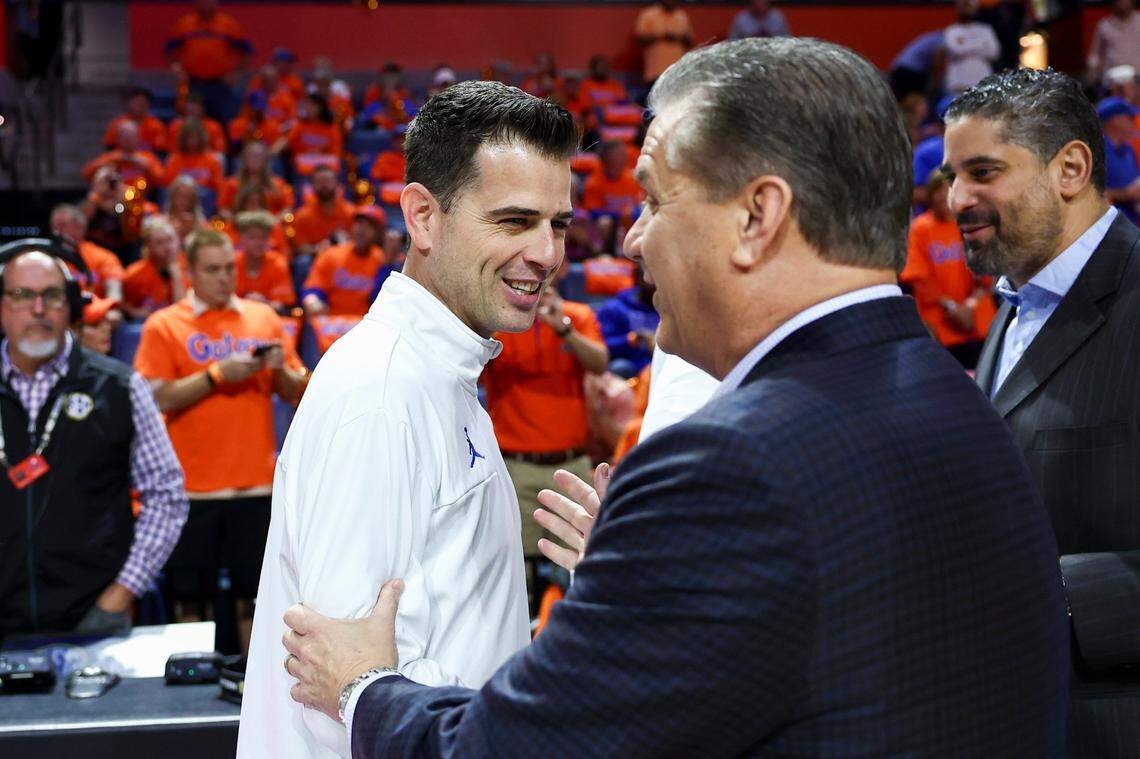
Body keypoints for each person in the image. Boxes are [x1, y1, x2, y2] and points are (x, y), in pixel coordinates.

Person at [281, 38, 1069, 757]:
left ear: (757, 218)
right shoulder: (953, 394)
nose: (630, 238)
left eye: (655, 199)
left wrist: (362, 689)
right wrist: (647, 586)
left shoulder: (729, 466)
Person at [237, 80, 578, 759]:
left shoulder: (440, 373)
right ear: (422, 217)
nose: (547, 253)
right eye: (514, 221)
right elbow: (338, 696)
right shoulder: (382, 390)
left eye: (557, 223)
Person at [943, 66, 1140, 758]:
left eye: (983, 171)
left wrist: (1046, 594)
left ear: (1072, 168)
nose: (957, 198)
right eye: (950, 177)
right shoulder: (1016, 304)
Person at [134, 228, 307, 654]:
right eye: (212, 270)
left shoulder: (262, 318)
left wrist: (279, 371)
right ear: (189, 270)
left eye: (229, 268)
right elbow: (153, 395)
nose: (224, 278)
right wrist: (215, 376)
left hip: (256, 487)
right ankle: (189, 703)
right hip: (190, 490)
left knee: (259, 602)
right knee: (189, 601)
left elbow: (297, 390)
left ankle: (253, 701)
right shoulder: (164, 324)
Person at [0, 243, 187, 635]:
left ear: (70, 305)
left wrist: (122, 592)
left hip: (95, 621)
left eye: (51, 296)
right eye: (21, 295)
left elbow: (166, 495)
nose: (37, 310)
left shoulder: (119, 387)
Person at [481, 261, 608, 614]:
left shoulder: (576, 315)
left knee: (584, 569)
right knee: (514, 578)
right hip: (515, 467)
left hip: (572, 465)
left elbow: (600, 363)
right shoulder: (500, 322)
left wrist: (562, 328)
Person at [901, 170, 995, 368]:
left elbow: (986, 274)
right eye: (938, 190)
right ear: (929, 194)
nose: (943, 195)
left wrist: (969, 306)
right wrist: (953, 307)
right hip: (941, 325)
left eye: (948, 189)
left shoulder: (971, 223)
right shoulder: (919, 229)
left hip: (976, 321)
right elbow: (920, 279)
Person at [164, 0, 251, 122]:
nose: (206, 4)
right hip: (193, 83)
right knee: (191, 122)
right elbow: (169, 50)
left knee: (222, 121)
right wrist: (176, 68)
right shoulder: (184, 24)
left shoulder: (228, 24)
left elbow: (246, 51)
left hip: (220, 84)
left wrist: (236, 74)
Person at [301, 206, 389, 317]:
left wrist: (387, 266)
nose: (362, 230)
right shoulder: (331, 254)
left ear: (378, 233)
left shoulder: (382, 260)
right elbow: (313, 287)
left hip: (364, 324)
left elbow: (381, 301)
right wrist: (312, 300)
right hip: (330, 324)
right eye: (359, 224)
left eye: (369, 226)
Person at [49, 204, 124, 301]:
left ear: (80, 228)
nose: (57, 232)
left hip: (93, 312)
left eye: (63, 225)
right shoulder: (47, 258)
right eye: (54, 227)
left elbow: (114, 294)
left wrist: (111, 309)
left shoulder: (104, 257)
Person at [122, 216, 188, 323]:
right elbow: (122, 305)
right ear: (148, 246)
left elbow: (183, 311)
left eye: (170, 239)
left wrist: (176, 275)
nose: (168, 247)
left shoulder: (191, 267)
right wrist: (133, 311)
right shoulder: (134, 274)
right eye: (159, 242)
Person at [596, 266, 659, 376]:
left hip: (661, 364)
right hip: (632, 367)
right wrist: (632, 339)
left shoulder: (668, 307)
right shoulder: (614, 308)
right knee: (620, 367)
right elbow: (601, 347)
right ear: (638, 279)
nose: (654, 283)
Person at [288, 165, 358, 258]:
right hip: (315, 257)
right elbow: (301, 247)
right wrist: (317, 249)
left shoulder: (351, 212)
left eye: (327, 181)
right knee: (303, 261)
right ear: (312, 186)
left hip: (346, 256)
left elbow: (358, 242)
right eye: (319, 182)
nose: (324, 185)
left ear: (337, 184)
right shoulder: (302, 215)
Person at [234, 210, 296, 312]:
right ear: (241, 239)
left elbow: (282, 305)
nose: (258, 242)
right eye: (252, 237)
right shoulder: (232, 263)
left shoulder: (278, 263)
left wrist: (264, 303)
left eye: (263, 237)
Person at [219, 141, 295, 219]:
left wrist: (275, 221)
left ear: (265, 160)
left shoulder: (278, 184)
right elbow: (223, 209)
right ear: (244, 159)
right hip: (240, 224)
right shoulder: (231, 183)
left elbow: (288, 207)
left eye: (259, 156)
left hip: (271, 225)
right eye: (251, 156)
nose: (255, 159)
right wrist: (236, 222)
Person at [82, 120, 165, 190]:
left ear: (138, 138)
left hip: (140, 199)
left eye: (131, 137)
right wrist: (114, 159)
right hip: (114, 201)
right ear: (118, 139)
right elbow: (86, 174)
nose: (128, 140)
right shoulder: (111, 157)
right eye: (124, 137)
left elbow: (162, 180)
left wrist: (145, 165)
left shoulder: (147, 157)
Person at [943, 0, 1000, 93]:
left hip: (983, 83)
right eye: (962, 5)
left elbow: (994, 52)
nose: (965, 9)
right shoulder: (952, 30)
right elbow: (955, 50)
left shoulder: (985, 29)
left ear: (975, 8)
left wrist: (965, 45)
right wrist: (981, 45)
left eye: (968, 5)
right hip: (958, 85)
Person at [1099, 96, 1140, 223]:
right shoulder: (1097, 151)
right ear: (1115, 120)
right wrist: (1125, 194)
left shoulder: (1128, 149)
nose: (1133, 123)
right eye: (1129, 118)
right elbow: (1090, 192)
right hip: (1111, 228)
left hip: (1133, 223)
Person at [581, 139, 644, 221]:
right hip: (608, 225)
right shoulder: (593, 182)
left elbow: (641, 205)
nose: (622, 160)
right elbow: (593, 212)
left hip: (630, 223)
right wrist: (620, 215)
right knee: (604, 222)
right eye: (617, 156)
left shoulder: (633, 178)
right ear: (604, 159)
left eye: (622, 156)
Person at [634, 0, 693, 87]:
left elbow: (690, 41)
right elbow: (640, 40)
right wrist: (662, 36)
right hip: (656, 73)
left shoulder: (681, 15)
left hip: (678, 73)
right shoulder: (649, 14)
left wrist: (679, 37)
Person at [1087, 0, 1139, 89]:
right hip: (1112, 81)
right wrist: (1093, 74)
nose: (1122, 2)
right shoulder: (1104, 26)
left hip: (1137, 78)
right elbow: (1095, 56)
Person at [164, 118, 225, 194]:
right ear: (183, 139)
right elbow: (168, 183)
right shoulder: (174, 160)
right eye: (188, 138)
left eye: (195, 137)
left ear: (202, 138)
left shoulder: (212, 160)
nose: (192, 141)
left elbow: (218, 186)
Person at [103, 87, 168, 154]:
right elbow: (109, 147)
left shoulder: (156, 126)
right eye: (136, 103)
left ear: (148, 105)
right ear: (129, 103)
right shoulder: (117, 124)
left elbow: (160, 151)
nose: (139, 106)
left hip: (146, 161)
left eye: (142, 103)